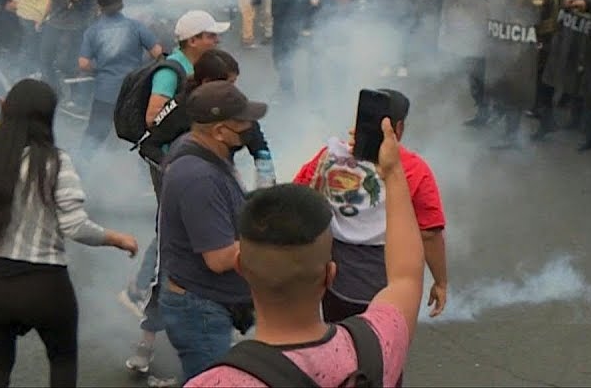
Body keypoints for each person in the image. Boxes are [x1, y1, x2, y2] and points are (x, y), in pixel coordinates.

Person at [187, 117, 423, 387]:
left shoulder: (213, 382)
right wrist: (392, 171)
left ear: (241, 266)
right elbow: (406, 276)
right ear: (329, 274)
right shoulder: (378, 346)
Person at [0, 79, 139, 388]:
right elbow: (75, 227)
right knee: (62, 360)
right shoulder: (55, 162)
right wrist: (115, 238)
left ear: (6, 110)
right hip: (44, 282)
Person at [292, 89, 447, 328]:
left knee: (340, 342)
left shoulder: (329, 156)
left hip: (335, 277)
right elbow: (429, 233)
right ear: (398, 128)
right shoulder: (414, 169)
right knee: (384, 350)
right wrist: (440, 281)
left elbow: (297, 198)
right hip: (386, 278)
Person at [157, 81, 266, 382]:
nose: (249, 127)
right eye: (242, 122)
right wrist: (274, 239)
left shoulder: (202, 152)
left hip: (206, 303)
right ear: (219, 131)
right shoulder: (199, 177)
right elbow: (218, 259)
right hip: (201, 309)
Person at [76, 0, 162, 156]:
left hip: (105, 92)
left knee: (95, 135)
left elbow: (83, 63)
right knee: (142, 134)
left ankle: (81, 170)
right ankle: (144, 174)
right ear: (121, 3)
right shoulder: (135, 27)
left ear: (99, 6)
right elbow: (158, 53)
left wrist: (100, 70)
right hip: (134, 91)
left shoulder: (93, 31)